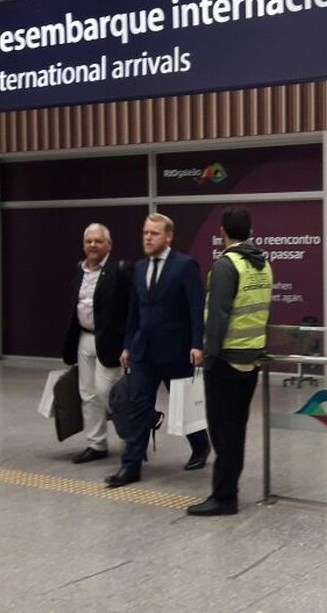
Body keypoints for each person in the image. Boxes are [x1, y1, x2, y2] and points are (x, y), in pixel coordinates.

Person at [105, 213, 210, 487]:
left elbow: (195, 308)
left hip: (176, 351)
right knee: (138, 407)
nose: (148, 238)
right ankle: (131, 466)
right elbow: (134, 311)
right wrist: (128, 344)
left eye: (154, 233)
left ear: (169, 236)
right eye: (145, 233)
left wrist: (197, 344)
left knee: (184, 407)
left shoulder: (185, 266)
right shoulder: (139, 268)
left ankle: (201, 446)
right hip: (143, 352)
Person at [187, 207, 273, 516]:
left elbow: (217, 319)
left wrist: (208, 358)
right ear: (251, 230)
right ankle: (227, 492)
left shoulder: (226, 266)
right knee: (236, 430)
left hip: (226, 362)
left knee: (223, 433)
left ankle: (224, 498)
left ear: (223, 231)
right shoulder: (263, 265)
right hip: (251, 361)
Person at [62, 223, 132, 464]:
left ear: (109, 245)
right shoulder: (79, 270)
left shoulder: (120, 270)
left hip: (111, 342)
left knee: (108, 393)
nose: (92, 245)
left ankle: (133, 440)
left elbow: (131, 309)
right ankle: (96, 444)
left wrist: (128, 344)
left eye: (98, 241)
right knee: (88, 395)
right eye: (89, 241)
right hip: (84, 338)